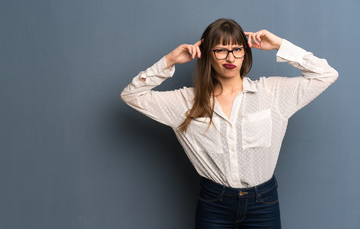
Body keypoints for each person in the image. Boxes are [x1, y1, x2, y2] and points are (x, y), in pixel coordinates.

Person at [120, 18, 339, 229]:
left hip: (263, 202)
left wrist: (279, 45)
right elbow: (131, 95)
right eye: (221, 50)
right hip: (214, 203)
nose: (230, 57)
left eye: (237, 49)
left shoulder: (272, 93)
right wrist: (169, 61)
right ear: (207, 55)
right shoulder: (185, 102)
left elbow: (326, 74)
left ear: (245, 53)